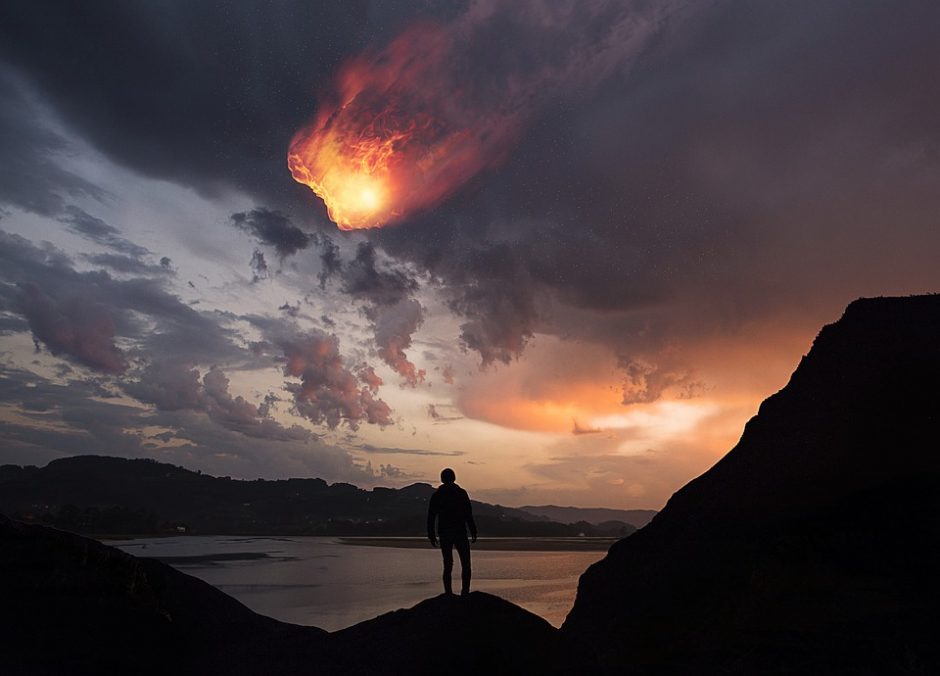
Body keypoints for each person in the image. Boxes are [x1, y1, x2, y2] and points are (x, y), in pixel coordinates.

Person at [426, 468, 477, 595]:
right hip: (459, 531)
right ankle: (464, 592)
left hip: (446, 532)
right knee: (465, 564)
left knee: (448, 564)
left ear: (442, 479)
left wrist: (431, 534)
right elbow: (468, 514)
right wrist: (473, 530)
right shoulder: (460, 493)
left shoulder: (438, 495)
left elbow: (431, 516)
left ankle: (449, 593)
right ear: (454, 478)